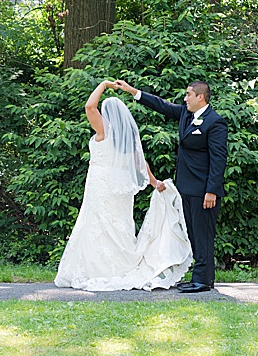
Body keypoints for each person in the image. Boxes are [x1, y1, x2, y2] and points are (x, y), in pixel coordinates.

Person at [54, 80, 193, 291]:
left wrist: (103, 85)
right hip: (120, 187)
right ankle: (119, 266)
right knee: (118, 225)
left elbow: (89, 107)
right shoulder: (126, 137)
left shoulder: (104, 130)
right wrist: (155, 182)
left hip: (101, 183)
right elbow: (140, 163)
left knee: (97, 223)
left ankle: (98, 270)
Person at [116, 80, 228, 293]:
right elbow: (162, 105)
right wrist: (133, 91)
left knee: (203, 234)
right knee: (192, 234)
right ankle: (199, 277)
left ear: (200, 97)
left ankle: (203, 280)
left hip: (204, 190)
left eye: (188, 95)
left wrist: (211, 190)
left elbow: (218, 159)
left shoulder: (215, 122)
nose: (185, 99)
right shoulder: (186, 114)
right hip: (186, 187)